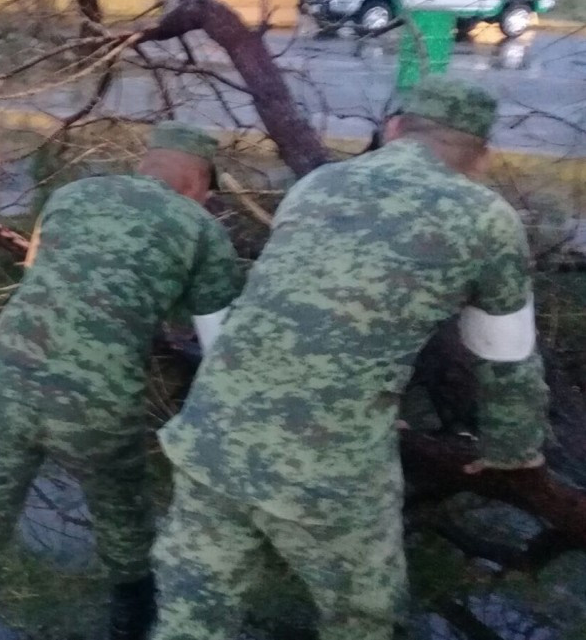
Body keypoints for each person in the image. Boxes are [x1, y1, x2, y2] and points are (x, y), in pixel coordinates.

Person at [151, 77, 549, 640]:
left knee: (191, 616)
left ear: (393, 131)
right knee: (362, 618)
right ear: (481, 154)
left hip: (211, 439)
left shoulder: (320, 185)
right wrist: (512, 450)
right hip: (329, 475)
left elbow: (298, 309)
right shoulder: (485, 219)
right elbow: (505, 359)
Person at [0, 122, 244, 640]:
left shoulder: (70, 196)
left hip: (2, 382)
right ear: (199, 185)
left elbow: (41, 276)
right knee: (125, 523)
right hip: (99, 402)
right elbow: (221, 350)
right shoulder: (201, 227)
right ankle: (131, 622)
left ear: (147, 163)